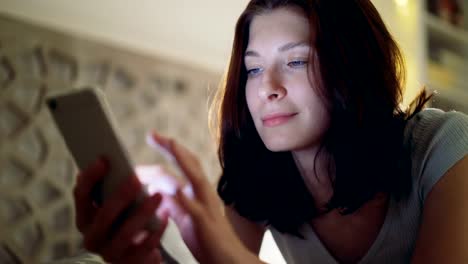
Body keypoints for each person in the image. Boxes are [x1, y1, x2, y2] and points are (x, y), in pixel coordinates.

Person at [73, 0, 468, 263]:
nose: (266, 88)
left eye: (295, 62)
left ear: (354, 66)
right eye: (254, 68)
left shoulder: (444, 146)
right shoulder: (258, 176)